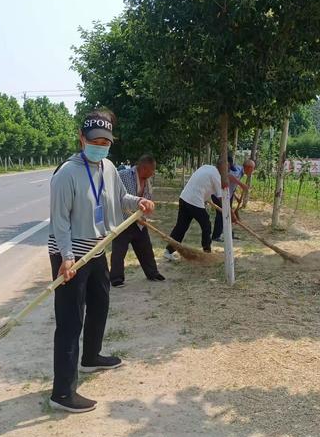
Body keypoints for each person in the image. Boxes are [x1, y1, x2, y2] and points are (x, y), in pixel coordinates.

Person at [48, 109, 155, 413]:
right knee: (70, 322)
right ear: (81, 139)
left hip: (97, 249)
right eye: (94, 140)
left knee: (100, 305)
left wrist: (139, 202)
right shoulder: (66, 173)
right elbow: (59, 222)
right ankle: (63, 393)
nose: (100, 145)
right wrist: (67, 258)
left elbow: (121, 199)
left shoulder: (108, 168)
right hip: (70, 255)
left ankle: (91, 356)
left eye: (106, 141)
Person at [110, 154, 165, 287]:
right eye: (152, 170)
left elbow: (147, 199)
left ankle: (152, 273)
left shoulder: (147, 182)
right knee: (119, 250)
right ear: (145, 168)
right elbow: (114, 194)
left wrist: (144, 214)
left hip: (139, 221)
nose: (153, 173)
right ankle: (116, 278)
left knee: (145, 247)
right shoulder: (123, 175)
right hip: (122, 220)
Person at [163, 162, 222, 261]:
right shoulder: (216, 175)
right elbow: (221, 198)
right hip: (194, 201)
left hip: (184, 197)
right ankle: (207, 251)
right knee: (206, 225)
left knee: (181, 226)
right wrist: (229, 213)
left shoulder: (206, 167)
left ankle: (168, 251)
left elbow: (203, 186)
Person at [211, 157, 256, 242]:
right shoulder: (238, 170)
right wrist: (241, 184)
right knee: (221, 213)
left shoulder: (241, 172)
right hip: (218, 194)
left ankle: (230, 234)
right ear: (248, 168)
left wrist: (236, 197)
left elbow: (231, 185)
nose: (252, 171)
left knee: (229, 214)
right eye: (252, 169)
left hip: (227, 195)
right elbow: (228, 176)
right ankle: (215, 236)